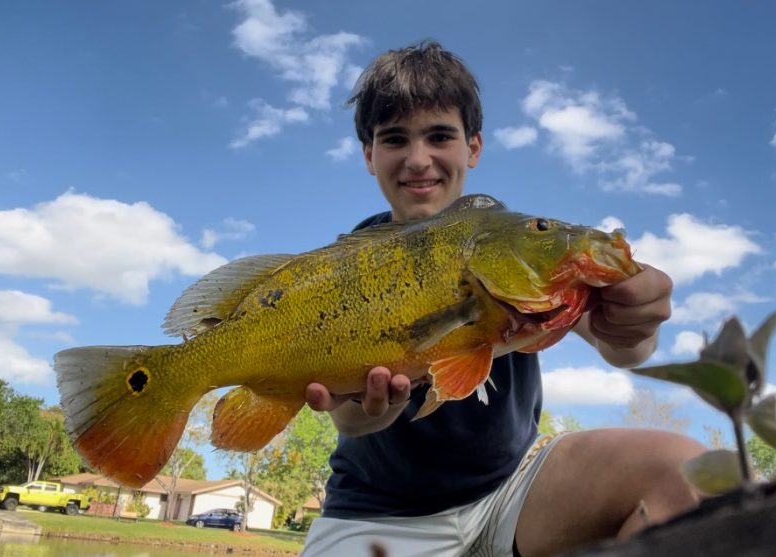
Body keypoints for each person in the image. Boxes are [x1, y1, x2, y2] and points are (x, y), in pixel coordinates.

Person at [301, 41, 705, 557]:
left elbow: (622, 349)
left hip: (514, 496)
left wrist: (635, 326)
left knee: (681, 473)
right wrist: (368, 408)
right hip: (376, 513)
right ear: (369, 155)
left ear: (473, 147)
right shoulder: (348, 264)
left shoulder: (513, 240)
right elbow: (353, 419)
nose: (418, 159)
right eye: (394, 139)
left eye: (439, 136)